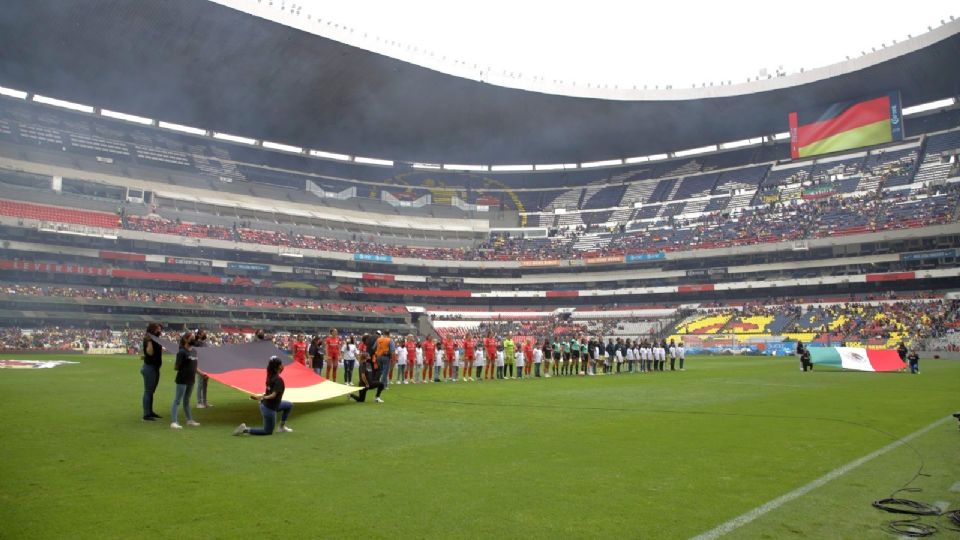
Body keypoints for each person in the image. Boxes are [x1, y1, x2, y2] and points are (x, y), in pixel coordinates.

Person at [234, 356, 294, 435]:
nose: (283, 365)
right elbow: (273, 395)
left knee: (289, 405)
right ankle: (245, 429)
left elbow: (270, 392)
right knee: (267, 431)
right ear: (278, 366)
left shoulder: (270, 376)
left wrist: (262, 397)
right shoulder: (278, 380)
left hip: (269, 404)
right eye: (281, 364)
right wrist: (263, 397)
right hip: (269, 408)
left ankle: (281, 427)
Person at [171, 332, 200, 429]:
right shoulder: (182, 352)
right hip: (182, 379)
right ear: (185, 340)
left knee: (187, 401)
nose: (193, 340)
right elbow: (176, 367)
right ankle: (174, 422)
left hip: (191, 380)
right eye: (191, 338)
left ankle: (189, 420)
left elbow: (195, 366)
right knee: (177, 400)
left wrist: (201, 373)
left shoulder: (194, 351)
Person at [141, 322, 164, 421]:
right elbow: (150, 352)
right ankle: (147, 414)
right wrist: (150, 342)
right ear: (152, 329)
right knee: (148, 391)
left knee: (151, 392)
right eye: (158, 329)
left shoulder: (155, 339)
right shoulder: (148, 339)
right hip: (150, 368)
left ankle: (150, 412)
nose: (160, 331)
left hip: (154, 368)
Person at [194, 329, 213, 409]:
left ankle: (204, 401)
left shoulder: (204, 342)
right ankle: (199, 402)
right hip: (200, 365)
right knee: (200, 384)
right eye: (203, 333)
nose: (205, 334)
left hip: (206, 364)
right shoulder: (196, 343)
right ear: (199, 334)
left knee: (205, 384)